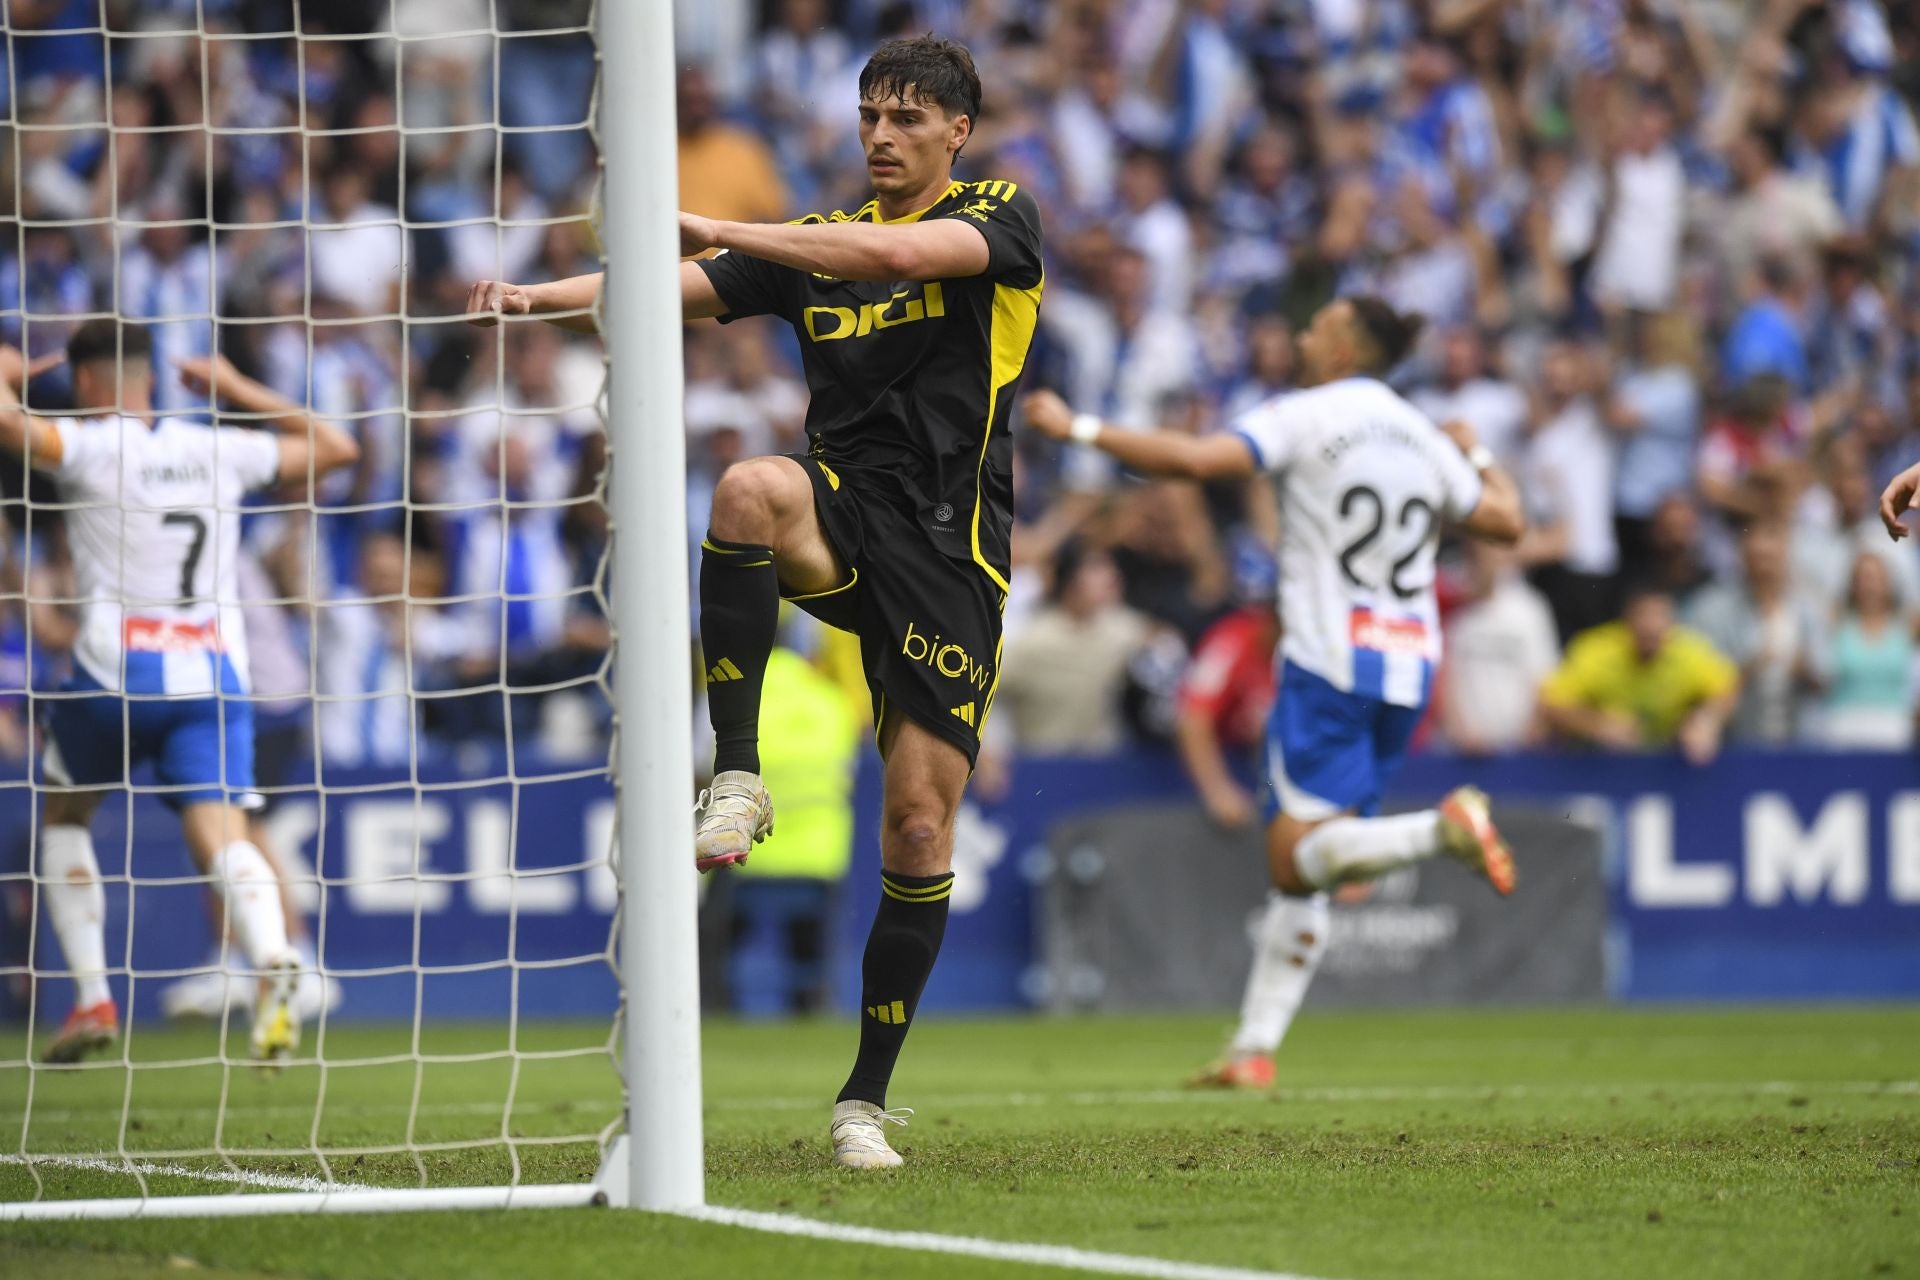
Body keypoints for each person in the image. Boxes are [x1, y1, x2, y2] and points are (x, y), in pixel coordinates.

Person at [466, 36, 1044, 1169]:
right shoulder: (809, 245)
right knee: (744, 485)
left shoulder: (1001, 214)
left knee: (921, 823)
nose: (881, 134)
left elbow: (896, 257)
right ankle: (735, 770)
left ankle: (863, 1099)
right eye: (870, 114)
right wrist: (539, 296)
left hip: (949, 551)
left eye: (907, 118)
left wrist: (727, 225)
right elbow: (657, 290)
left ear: (956, 133)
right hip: (835, 511)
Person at [1022, 294, 1525, 1089]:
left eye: (1316, 326)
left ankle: (1442, 828)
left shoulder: (1308, 414)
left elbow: (1192, 462)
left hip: (1327, 659)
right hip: (1407, 666)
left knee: (1298, 853)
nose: (1301, 334)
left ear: (1343, 346)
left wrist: (1075, 430)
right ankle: (1253, 1049)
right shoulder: (1423, 436)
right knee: (1310, 869)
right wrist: (1482, 452)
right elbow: (1505, 522)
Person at [0, 323, 359, 1065]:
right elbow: (337, 449)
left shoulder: (92, 445)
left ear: (90, 385)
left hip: (113, 674)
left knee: (65, 814)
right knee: (220, 835)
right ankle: (273, 956)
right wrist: (236, 389)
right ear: (148, 382)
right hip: (213, 679)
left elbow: (8, 425)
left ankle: (95, 997)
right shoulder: (217, 447)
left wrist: (7, 373)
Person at [1538, 580, 1739, 764]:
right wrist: (1597, 725)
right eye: (1643, 615)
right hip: (1601, 763)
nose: (1651, 626)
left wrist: (1706, 720)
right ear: (1626, 619)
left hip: (1671, 761)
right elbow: (1551, 703)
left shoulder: (1690, 651)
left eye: (1660, 616)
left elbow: (1728, 688)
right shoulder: (1595, 651)